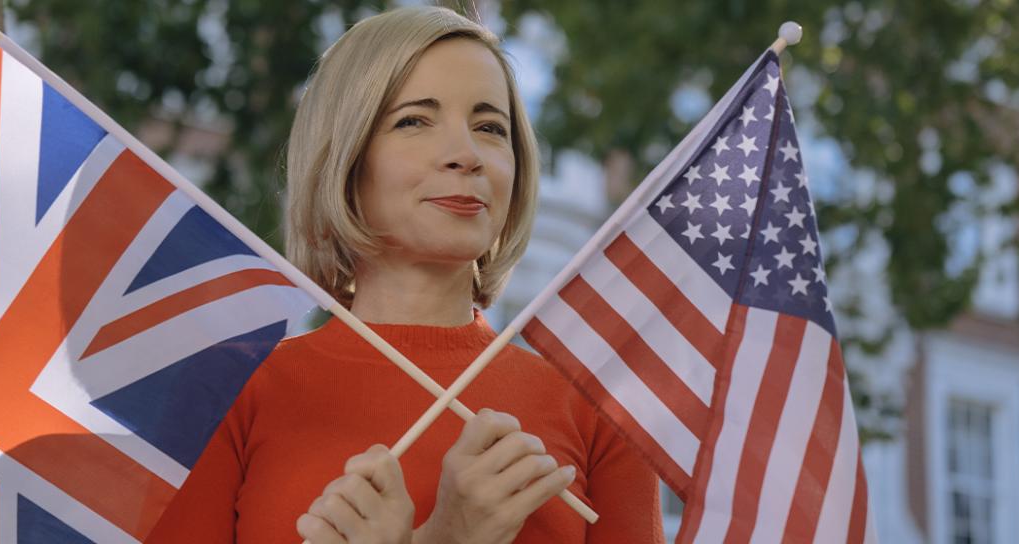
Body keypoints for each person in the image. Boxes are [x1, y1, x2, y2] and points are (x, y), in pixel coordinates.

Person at [147, 6, 663, 543]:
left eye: (490, 127)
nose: (466, 155)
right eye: (413, 120)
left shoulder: (604, 410)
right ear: (344, 160)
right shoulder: (227, 394)